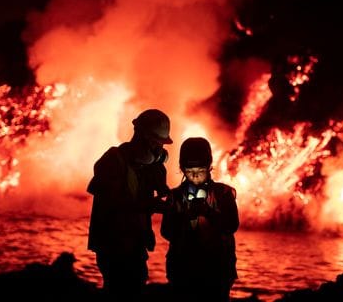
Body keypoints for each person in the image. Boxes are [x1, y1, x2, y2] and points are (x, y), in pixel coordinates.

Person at [87, 108, 173, 299]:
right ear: (143, 138)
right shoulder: (113, 161)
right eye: (156, 143)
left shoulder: (145, 166)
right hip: (113, 247)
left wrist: (162, 186)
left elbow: (152, 194)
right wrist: (152, 205)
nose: (159, 150)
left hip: (135, 245)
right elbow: (115, 205)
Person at [161, 137, 239, 301]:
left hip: (217, 271)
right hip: (183, 270)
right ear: (182, 168)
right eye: (190, 171)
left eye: (200, 170)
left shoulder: (224, 194)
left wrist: (208, 214)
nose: (195, 176)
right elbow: (166, 231)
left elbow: (232, 225)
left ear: (210, 166)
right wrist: (185, 218)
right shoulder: (174, 196)